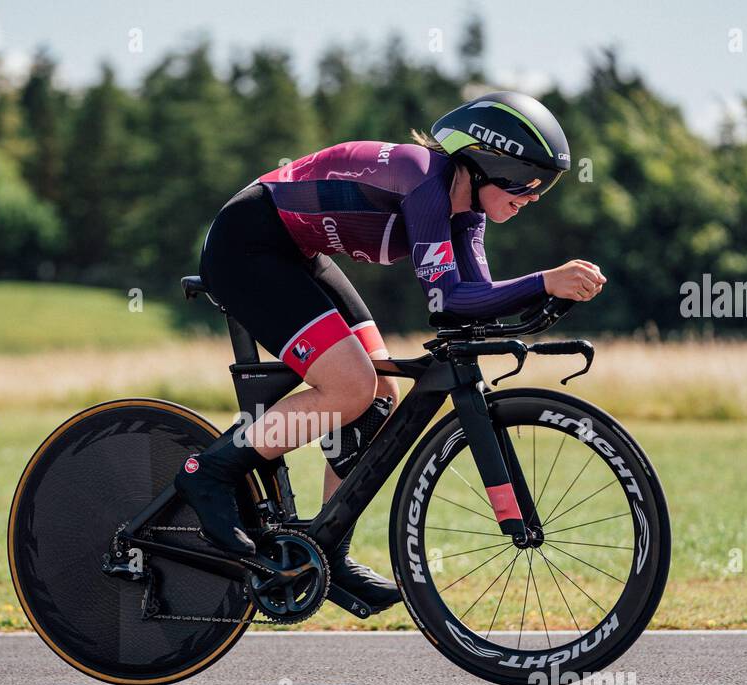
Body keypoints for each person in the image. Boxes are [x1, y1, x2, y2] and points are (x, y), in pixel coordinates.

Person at [175, 90, 606, 612]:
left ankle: (328, 548)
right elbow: (448, 298)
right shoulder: (427, 181)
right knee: (350, 384)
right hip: (248, 245)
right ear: (490, 160)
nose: (535, 196)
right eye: (529, 182)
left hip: (297, 253)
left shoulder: (466, 210)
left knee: (380, 391)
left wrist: (545, 296)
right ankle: (211, 472)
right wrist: (546, 280)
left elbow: (470, 304)